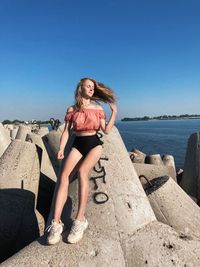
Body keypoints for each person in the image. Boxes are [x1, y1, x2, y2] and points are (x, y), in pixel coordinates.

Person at [46, 77, 117, 245]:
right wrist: (62, 148)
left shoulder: (98, 108)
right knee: (64, 176)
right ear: (81, 88)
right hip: (77, 144)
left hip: (94, 144)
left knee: (83, 172)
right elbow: (66, 132)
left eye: (93, 87)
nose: (92, 89)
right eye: (89, 86)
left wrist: (114, 113)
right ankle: (56, 224)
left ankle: (79, 221)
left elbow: (106, 130)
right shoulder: (72, 109)